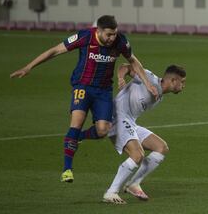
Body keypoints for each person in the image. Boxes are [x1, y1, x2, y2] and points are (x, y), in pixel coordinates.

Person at [10, 15, 158, 183]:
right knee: (77, 121)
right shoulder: (85, 36)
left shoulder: (121, 42)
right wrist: (29, 67)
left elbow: (133, 61)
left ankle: (77, 137)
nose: (112, 38)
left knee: (103, 130)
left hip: (103, 92)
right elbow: (55, 50)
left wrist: (148, 83)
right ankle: (67, 169)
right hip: (82, 87)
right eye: (109, 34)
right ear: (99, 31)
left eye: (114, 34)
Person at [79, 63, 186, 204]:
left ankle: (133, 184)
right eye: (182, 82)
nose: (183, 86)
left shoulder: (159, 95)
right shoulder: (148, 77)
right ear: (173, 80)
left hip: (130, 122)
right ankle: (111, 192)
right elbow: (127, 66)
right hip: (117, 117)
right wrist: (121, 77)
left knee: (161, 147)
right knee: (137, 155)